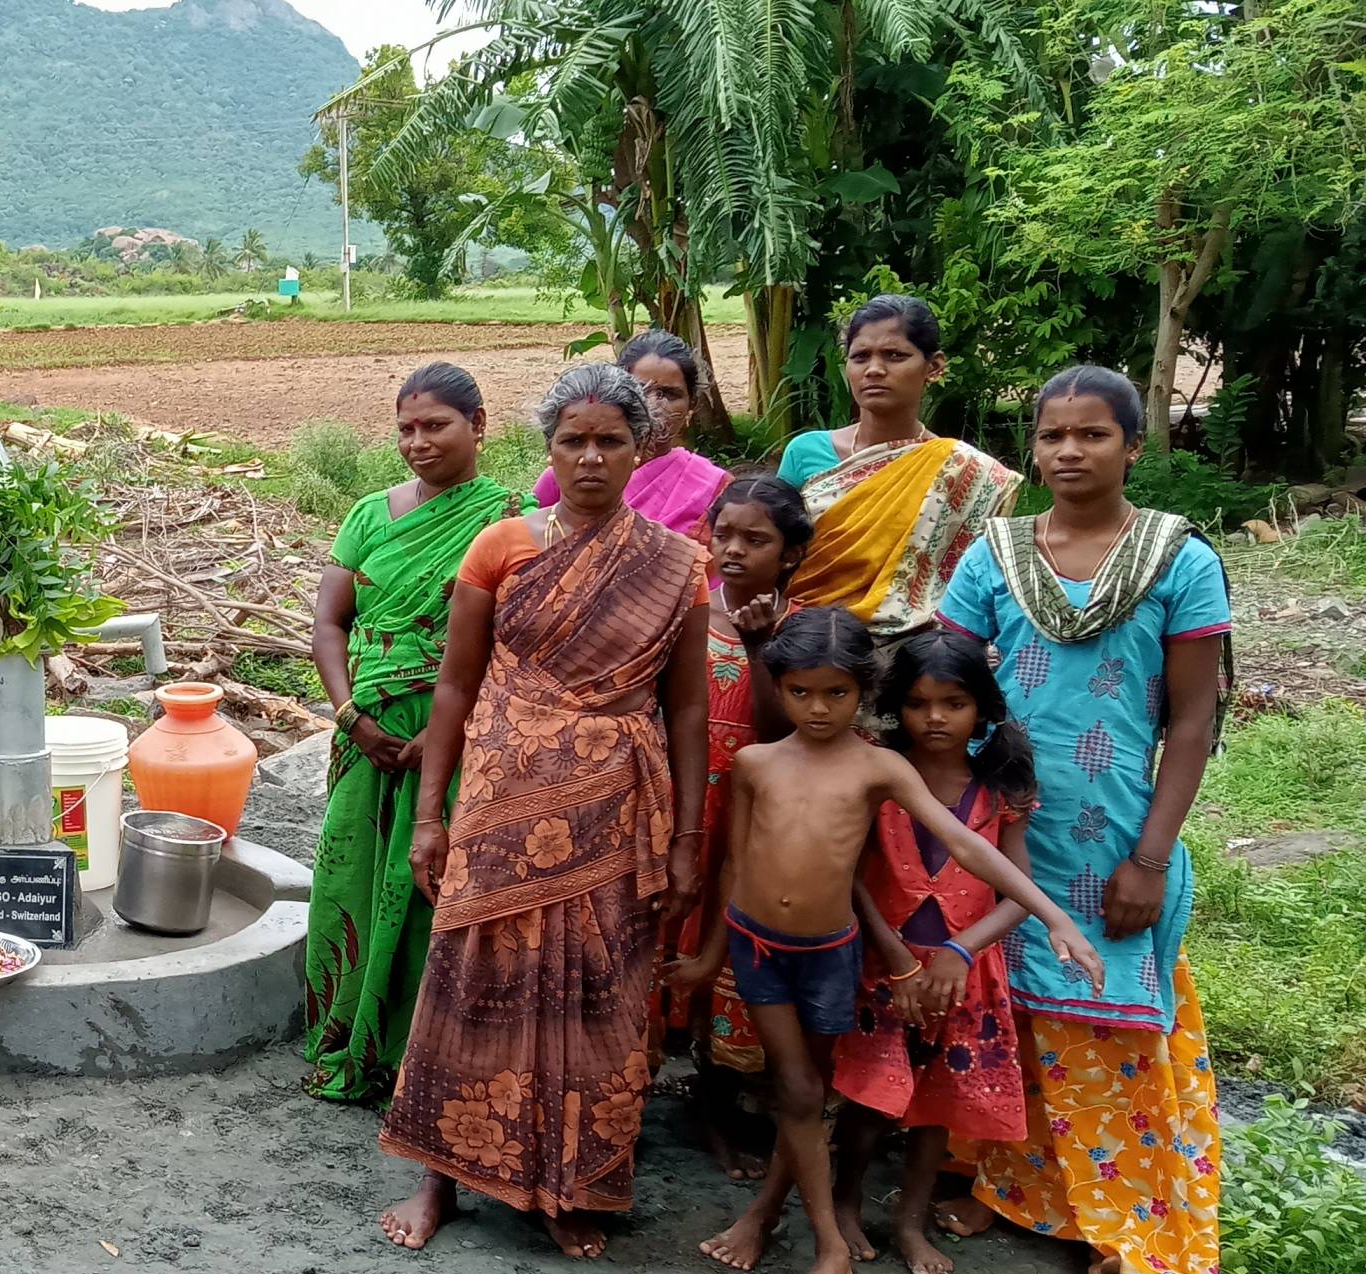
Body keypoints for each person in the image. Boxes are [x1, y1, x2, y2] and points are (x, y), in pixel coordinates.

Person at [377, 363, 710, 1260]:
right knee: (469, 974)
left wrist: (687, 837)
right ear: (548, 449)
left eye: (610, 441)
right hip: (499, 797)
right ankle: (441, 1175)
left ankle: (568, 1183)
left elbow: (685, 708)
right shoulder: (502, 545)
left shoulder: (677, 565)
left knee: (595, 990)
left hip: (613, 807)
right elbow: (455, 688)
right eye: (574, 441)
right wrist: (431, 818)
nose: (592, 457)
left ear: (641, 449)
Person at [678, 607, 1097, 1274]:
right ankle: (825, 1242)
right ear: (777, 688)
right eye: (801, 692)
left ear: (863, 694)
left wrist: (1056, 918)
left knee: (813, 1091)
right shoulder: (755, 763)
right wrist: (705, 957)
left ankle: (815, 1239)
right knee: (799, 1091)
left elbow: (968, 845)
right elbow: (731, 867)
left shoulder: (880, 768)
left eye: (837, 693)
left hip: (831, 954)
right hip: (757, 947)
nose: (818, 708)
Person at [934, 365, 1231, 1274]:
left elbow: (1191, 722)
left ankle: (1128, 1219)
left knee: (1107, 1023)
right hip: (1004, 822)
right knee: (1003, 1006)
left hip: (1114, 839)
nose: (1069, 451)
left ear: (1134, 446)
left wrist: (1150, 857)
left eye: (1093, 435)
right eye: (1053, 434)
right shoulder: (997, 554)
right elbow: (948, 677)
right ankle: (1008, 1185)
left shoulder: (1178, 560)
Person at [301, 363, 528, 1105]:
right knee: (352, 876)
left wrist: (444, 733)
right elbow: (330, 625)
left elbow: (511, 643)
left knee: (430, 884)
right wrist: (350, 718)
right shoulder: (369, 515)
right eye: (406, 428)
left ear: (480, 425)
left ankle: (415, 1052)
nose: (418, 442)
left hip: (454, 733)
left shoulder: (510, 520)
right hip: (362, 729)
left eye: (436, 425)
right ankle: (346, 1033)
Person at [829, 628, 1043, 1274]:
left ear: (982, 706)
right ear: (899, 707)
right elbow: (855, 877)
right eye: (920, 704)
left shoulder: (1001, 789)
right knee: (870, 1099)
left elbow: (1019, 890)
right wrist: (896, 954)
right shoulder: (877, 772)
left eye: (954, 703)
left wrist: (960, 948)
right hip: (885, 968)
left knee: (935, 1108)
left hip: (964, 975)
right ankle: (843, 1203)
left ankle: (910, 1220)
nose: (936, 718)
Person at [669, 474, 815, 1181]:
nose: (732, 550)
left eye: (755, 540)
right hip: (678, 804)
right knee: (667, 941)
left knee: (727, 953)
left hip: (753, 819)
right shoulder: (686, 609)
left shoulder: (806, 629)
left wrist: (762, 649)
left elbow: (786, 728)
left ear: (790, 554)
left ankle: (716, 1100)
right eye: (722, 534)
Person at [777, 295, 1022, 642]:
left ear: (934, 367)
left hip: (914, 651)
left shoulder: (964, 472)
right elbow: (773, 553)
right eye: (860, 357)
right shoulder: (806, 451)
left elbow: (975, 585)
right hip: (806, 641)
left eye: (894, 356)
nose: (874, 369)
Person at [532, 330, 730, 538]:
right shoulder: (569, 473)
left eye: (669, 394)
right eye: (642, 389)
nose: (654, 404)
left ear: (692, 404)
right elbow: (528, 545)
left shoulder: (711, 486)